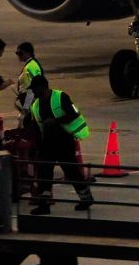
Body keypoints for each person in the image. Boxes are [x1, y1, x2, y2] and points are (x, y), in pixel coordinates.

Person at [26, 74, 94, 213]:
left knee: (72, 171)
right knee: (44, 174)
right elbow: (36, 126)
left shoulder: (60, 97)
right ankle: (44, 205)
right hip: (47, 144)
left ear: (43, 87)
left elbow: (74, 114)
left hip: (63, 141)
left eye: (35, 89)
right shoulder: (35, 105)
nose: (33, 92)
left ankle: (86, 198)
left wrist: (55, 121)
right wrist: (36, 146)